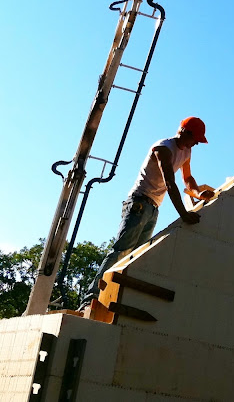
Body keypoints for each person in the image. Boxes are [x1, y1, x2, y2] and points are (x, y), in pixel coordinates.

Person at [80, 116, 214, 308]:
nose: (196, 144)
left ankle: (115, 301)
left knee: (136, 258)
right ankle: (90, 299)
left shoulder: (186, 151)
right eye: (196, 139)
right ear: (185, 132)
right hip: (138, 203)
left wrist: (198, 193)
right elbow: (170, 182)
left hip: (153, 208)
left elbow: (187, 178)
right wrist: (184, 214)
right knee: (121, 251)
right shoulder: (163, 148)